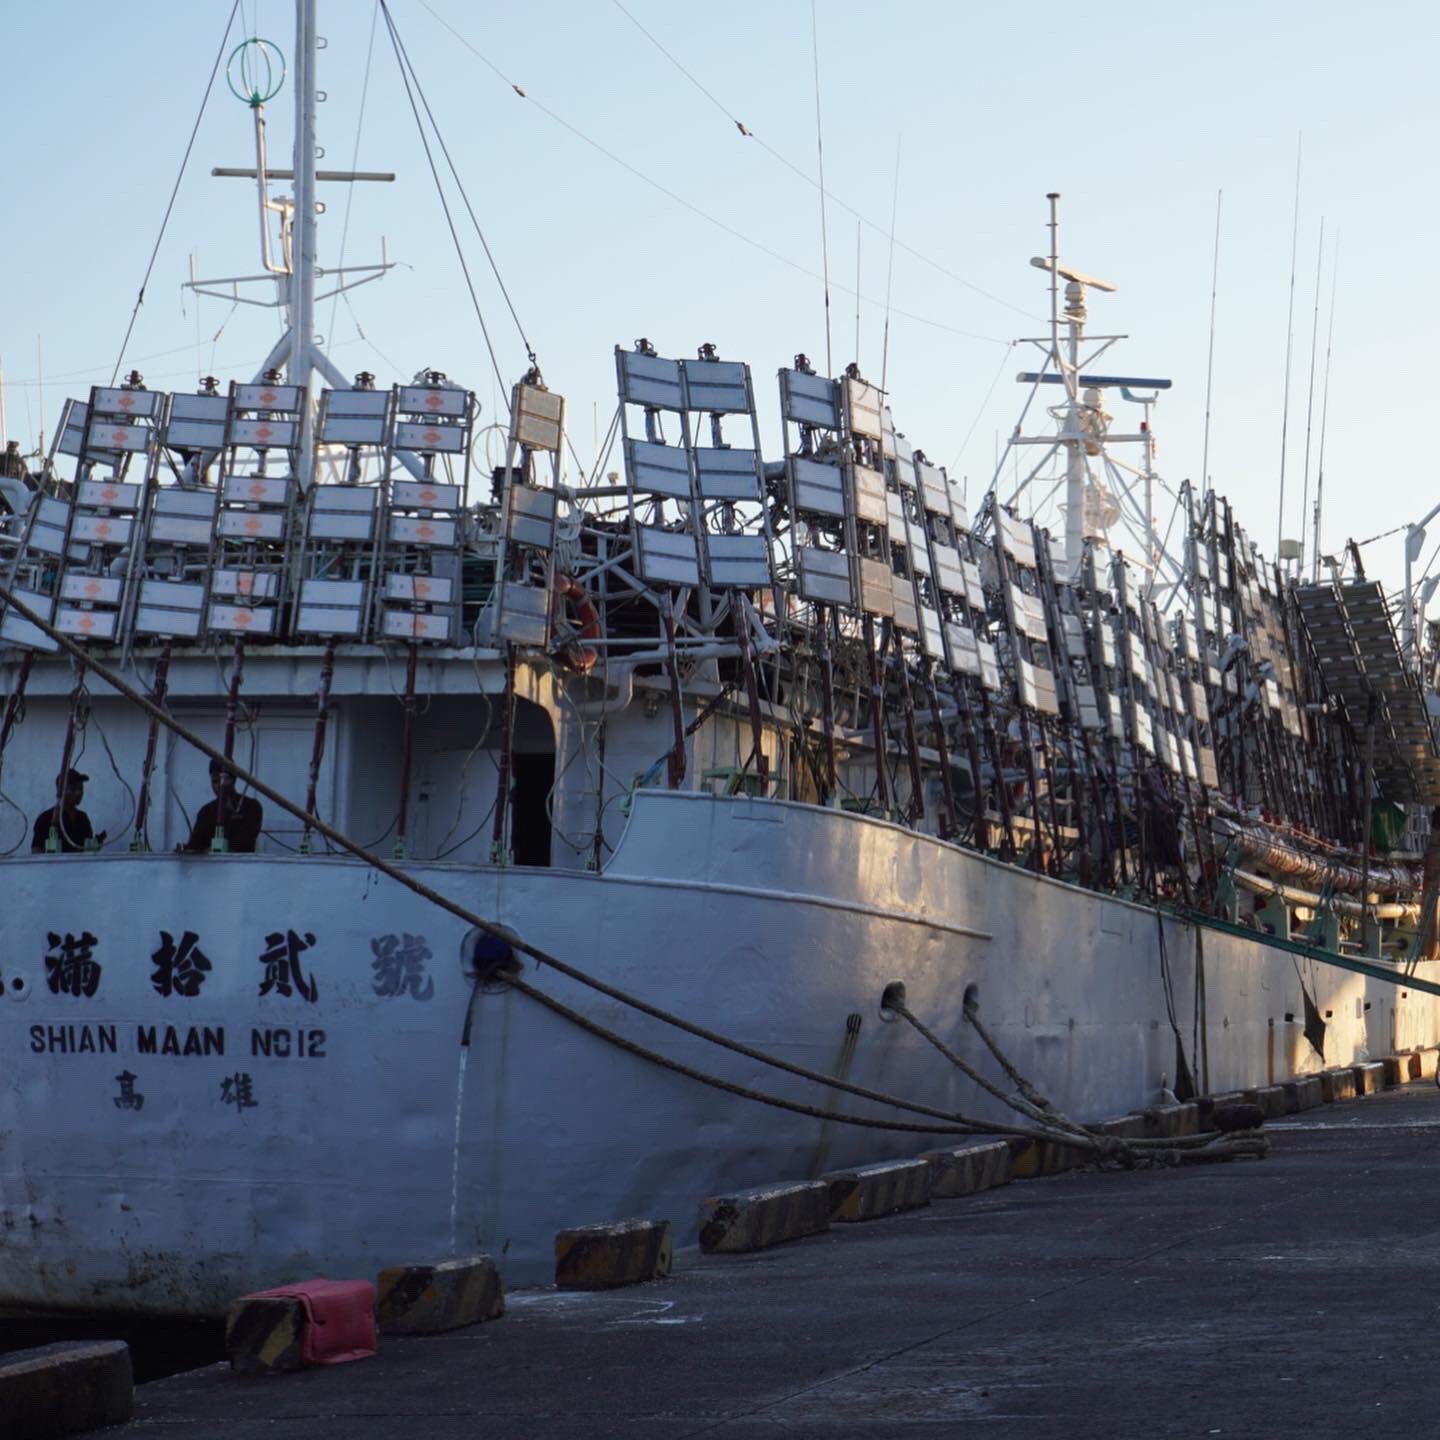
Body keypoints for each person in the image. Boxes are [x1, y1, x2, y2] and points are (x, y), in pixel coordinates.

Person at [181, 759, 263, 854]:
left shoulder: (252, 807)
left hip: (241, 867)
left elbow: (246, 843)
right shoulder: (206, 811)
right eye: (215, 781)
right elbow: (195, 845)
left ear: (234, 779)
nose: (219, 785)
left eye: (224, 780)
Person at [31, 769, 103, 853]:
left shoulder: (82, 818)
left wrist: (95, 845)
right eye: (73, 789)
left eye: (80, 789)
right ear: (60, 792)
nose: (78, 793)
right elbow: (36, 851)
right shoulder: (46, 818)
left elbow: (86, 851)